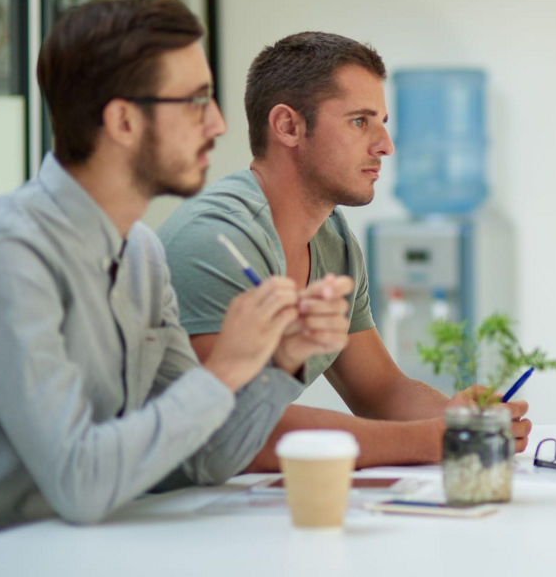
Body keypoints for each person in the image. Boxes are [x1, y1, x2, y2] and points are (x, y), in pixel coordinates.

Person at [0, 0, 353, 530]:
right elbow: (80, 482)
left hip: (90, 561)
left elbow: (207, 457)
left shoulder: (141, 254)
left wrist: (277, 363)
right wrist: (224, 367)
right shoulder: (8, 253)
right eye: (196, 101)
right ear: (124, 120)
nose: (220, 123)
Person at [158, 32, 531, 471]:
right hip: (159, 513)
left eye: (383, 122)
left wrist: (460, 419)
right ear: (288, 127)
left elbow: (380, 390)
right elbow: (237, 432)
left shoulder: (332, 238)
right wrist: (432, 440)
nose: (385, 145)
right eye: (360, 121)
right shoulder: (215, 241)